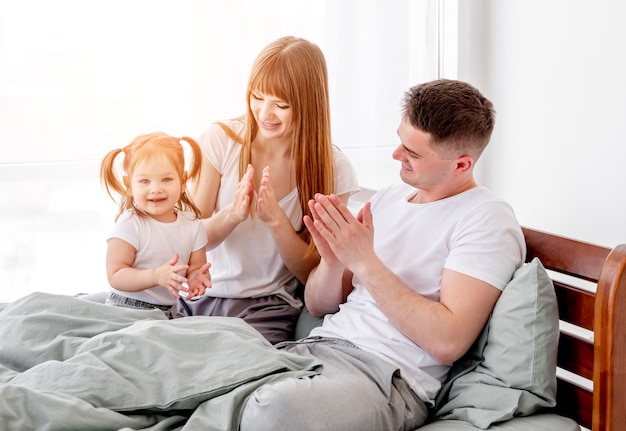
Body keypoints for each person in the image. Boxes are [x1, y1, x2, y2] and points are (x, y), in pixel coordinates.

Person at [239, 79, 527, 430]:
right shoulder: (389, 198)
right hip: (316, 350)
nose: (396, 154)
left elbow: (448, 341)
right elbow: (318, 306)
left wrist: (365, 262)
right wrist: (333, 262)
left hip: (385, 378)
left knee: (275, 409)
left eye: (413, 152)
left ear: (462, 165)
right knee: (197, 358)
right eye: (400, 141)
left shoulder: (486, 218)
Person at [182, 36, 359, 343]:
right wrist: (232, 215)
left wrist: (277, 221)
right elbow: (189, 239)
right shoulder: (220, 141)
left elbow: (313, 275)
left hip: (267, 309)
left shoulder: (334, 170)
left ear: (308, 105)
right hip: (198, 297)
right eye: (257, 97)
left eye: (281, 104)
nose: (264, 113)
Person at [100, 132, 212, 319]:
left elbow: (195, 267)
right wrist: (155, 276)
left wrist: (197, 278)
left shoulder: (193, 225)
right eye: (144, 181)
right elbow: (116, 274)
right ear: (129, 185)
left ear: (183, 182)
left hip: (169, 312)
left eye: (166, 179)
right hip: (126, 311)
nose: (156, 189)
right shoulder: (131, 224)